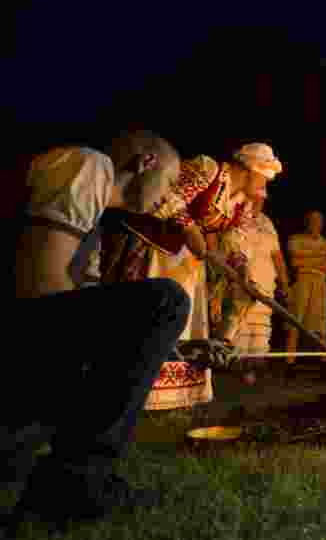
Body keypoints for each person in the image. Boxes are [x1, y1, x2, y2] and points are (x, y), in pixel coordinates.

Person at [5, 131, 190, 528]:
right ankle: (77, 481)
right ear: (145, 163)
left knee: (155, 309)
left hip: (31, 326)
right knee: (165, 300)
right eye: (173, 182)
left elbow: (79, 308)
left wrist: (171, 347)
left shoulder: (99, 221)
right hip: (18, 326)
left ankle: (69, 472)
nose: (173, 197)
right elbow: (40, 286)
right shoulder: (88, 164)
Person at [100, 142, 282, 409]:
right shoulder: (208, 170)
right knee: (139, 319)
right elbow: (165, 192)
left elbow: (235, 241)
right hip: (150, 247)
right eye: (265, 176)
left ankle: (164, 399)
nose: (266, 184)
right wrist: (189, 229)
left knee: (176, 324)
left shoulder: (241, 203)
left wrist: (241, 269)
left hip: (183, 264)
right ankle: (120, 393)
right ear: (249, 170)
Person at [212, 195, 290, 383]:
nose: (258, 202)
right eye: (255, 198)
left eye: (262, 199)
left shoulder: (267, 222)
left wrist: (285, 283)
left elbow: (277, 255)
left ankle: (253, 367)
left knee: (260, 328)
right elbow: (226, 246)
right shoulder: (234, 217)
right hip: (241, 280)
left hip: (265, 282)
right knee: (239, 321)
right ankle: (232, 367)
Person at [284, 210, 326, 364]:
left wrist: (304, 257)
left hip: (319, 283)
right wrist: (319, 258)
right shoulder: (295, 239)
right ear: (307, 222)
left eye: (318, 221)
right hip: (301, 281)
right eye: (312, 220)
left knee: (321, 323)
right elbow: (294, 263)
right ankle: (289, 362)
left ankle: (323, 362)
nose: (315, 224)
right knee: (295, 321)